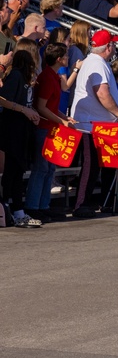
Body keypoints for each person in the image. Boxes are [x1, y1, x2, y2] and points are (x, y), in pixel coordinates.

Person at [69, 29, 118, 218]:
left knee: (103, 163)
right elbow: (101, 92)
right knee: (91, 163)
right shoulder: (97, 63)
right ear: (108, 46)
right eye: (114, 44)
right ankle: (81, 204)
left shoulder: (95, 62)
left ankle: (105, 202)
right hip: (92, 124)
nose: (115, 47)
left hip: (99, 123)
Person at [25, 43, 76, 222]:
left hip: (52, 129)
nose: (68, 58)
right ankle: (33, 206)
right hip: (43, 130)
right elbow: (41, 106)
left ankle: (43, 205)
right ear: (59, 59)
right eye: (66, 56)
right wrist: (61, 120)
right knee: (41, 168)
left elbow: (51, 107)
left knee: (49, 168)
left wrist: (64, 118)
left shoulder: (53, 76)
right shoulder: (47, 77)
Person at [1, 46, 43, 227]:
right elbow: (5, 100)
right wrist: (24, 110)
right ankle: (8, 209)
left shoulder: (25, 79)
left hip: (22, 129)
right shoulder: (16, 76)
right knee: (11, 170)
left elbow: (24, 103)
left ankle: (18, 211)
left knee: (19, 170)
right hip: (12, 129)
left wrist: (31, 113)